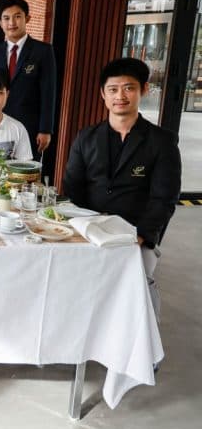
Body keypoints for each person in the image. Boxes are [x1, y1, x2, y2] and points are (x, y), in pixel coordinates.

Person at [64, 57, 181, 318]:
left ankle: (146, 354)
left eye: (129, 88)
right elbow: (73, 186)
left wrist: (140, 237)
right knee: (80, 295)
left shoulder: (161, 142)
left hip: (134, 235)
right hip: (91, 231)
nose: (120, 96)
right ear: (103, 94)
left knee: (137, 302)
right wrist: (86, 227)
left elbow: (164, 198)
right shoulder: (87, 137)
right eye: (113, 89)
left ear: (144, 91)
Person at [0, 0, 56, 159]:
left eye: (17, 16)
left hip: (29, 125)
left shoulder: (43, 51)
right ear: (0, 23)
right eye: (6, 18)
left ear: (27, 18)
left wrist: (45, 129)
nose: (11, 23)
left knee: (25, 173)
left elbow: (48, 91)